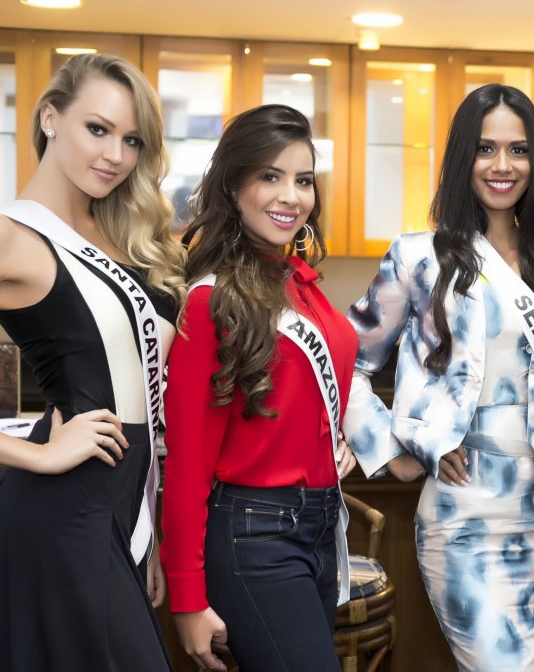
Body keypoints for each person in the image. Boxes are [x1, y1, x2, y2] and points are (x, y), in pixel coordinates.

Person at [342, 83, 534, 670]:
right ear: (463, 158)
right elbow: (344, 364)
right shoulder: (418, 258)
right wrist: (393, 450)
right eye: (486, 149)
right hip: (463, 518)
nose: (502, 166)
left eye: (519, 149)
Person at [0, 53, 186, 670]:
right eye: (98, 129)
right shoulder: (1, 233)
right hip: (60, 512)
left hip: (125, 506)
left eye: (132, 139)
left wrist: (152, 533)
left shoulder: (128, 238)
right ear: (50, 118)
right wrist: (40, 454)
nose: (115, 154)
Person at [159, 104, 358, 672]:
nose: (289, 196)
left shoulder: (300, 285)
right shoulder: (210, 300)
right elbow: (189, 461)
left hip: (319, 527)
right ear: (233, 186)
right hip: (254, 536)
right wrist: (188, 596)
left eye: (302, 180)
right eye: (269, 176)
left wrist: (330, 445)